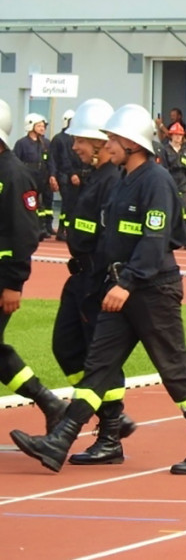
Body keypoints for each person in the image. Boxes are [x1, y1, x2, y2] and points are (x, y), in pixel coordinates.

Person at [11, 104, 186, 474]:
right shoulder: (125, 179)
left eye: (111, 138)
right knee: (98, 366)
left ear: (130, 142)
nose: (106, 144)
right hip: (120, 287)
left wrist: (126, 282)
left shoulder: (156, 181)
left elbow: (154, 240)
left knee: (174, 368)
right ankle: (63, 438)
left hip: (152, 290)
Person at [49, 98, 140, 465]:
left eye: (80, 141)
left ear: (101, 143)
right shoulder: (93, 178)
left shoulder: (112, 183)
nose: (75, 148)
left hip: (97, 281)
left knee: (101, 359)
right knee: (66, 347)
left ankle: (110, 433)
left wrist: (106, 281)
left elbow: (112, 239)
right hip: (80, 277)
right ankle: (109, 415)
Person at [0, 99, 68, 434]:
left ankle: (50, 404)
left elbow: (25, 235)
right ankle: (50, 403)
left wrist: (14, 283)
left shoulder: (14, 175)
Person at [15, 113, 57, 238]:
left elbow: (51, 161)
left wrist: (52, 175)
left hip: (43, 178)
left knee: (43, 204)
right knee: (31, 203)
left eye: (43, 126)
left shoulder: (46, 143)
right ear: (30, 126)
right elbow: (16, 161)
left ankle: (42, 227)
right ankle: (31, 228)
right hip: (29, 178)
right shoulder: (22, 143)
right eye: (39, 126)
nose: (42, 128)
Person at [50, 109, 83, 241]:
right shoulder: (59, 139)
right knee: (67, 204)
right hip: (64, 176)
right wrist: (53, 176)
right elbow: (56, 159)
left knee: (73, 204)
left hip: (76, 175)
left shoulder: (76, 137)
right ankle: (63, 230)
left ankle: (66, 229)